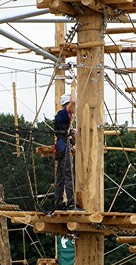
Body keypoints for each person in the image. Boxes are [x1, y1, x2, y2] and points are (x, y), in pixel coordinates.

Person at [54, 80, 79, 211]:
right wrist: (73, 86)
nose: (74, 108)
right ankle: (70, 203)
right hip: (63, 147)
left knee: (62, 176)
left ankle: (59, 203)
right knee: (67, 175)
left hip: (62, 146)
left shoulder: (65, 117)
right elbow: (74, 101)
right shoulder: (63, 113)